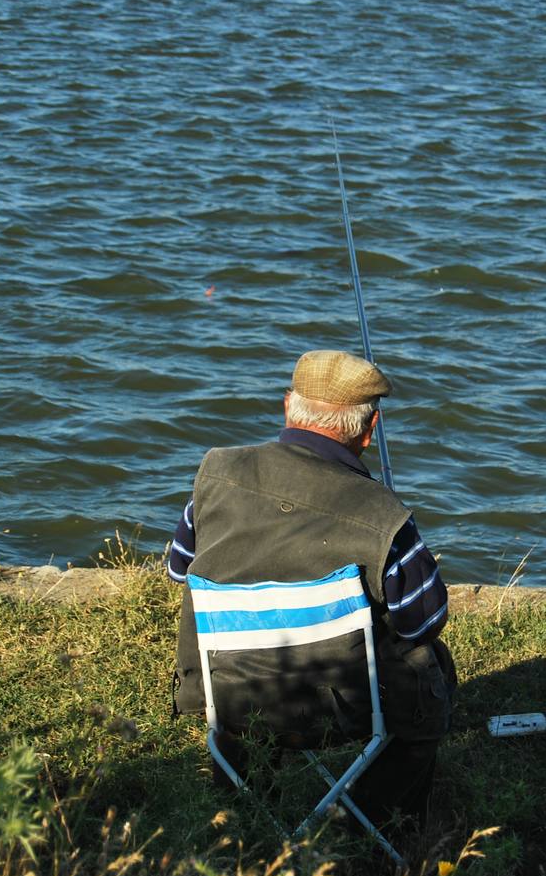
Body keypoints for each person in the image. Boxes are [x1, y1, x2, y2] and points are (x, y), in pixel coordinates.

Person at [168, 349, 455, 829]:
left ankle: (242, 815)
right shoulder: (383, 514)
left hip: (229, 692)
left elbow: (180, 569)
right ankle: (368, 820)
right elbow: (424, 619)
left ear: (287, 407)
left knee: (244, 671)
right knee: (433, 669)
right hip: (340, 708)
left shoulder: (215, 474)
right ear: (369, 428)